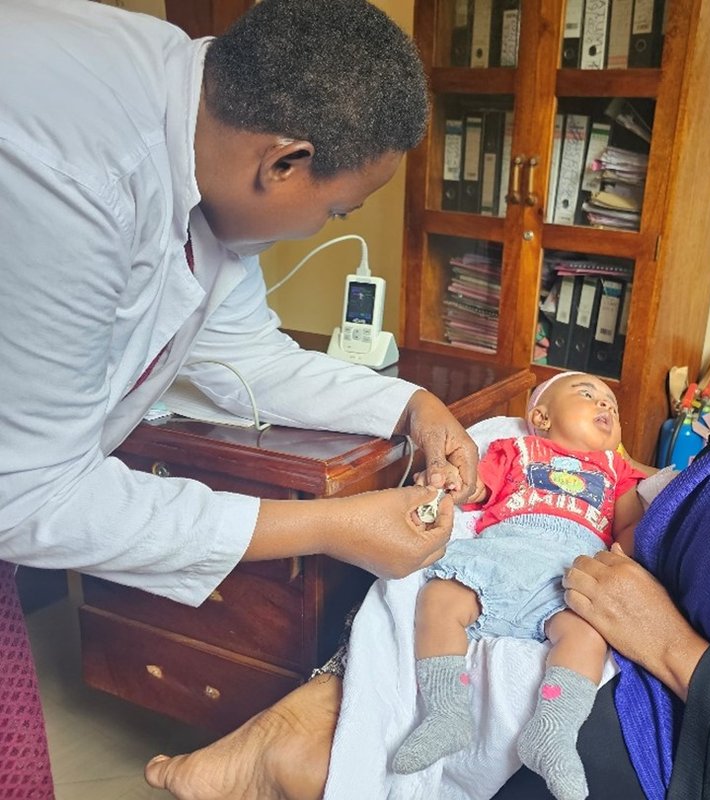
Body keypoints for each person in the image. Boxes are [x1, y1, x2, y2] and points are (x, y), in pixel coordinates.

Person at [147, 56, 710, 800]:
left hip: (672, 719)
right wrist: (432, 427)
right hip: (607, 620)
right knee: (422, 602)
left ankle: (307, 744)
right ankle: (312, 723)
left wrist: (671, 644)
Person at [0, 0, 480, 794]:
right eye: (335, 210)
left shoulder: (200, 113)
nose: (327, 229)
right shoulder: (73, 173)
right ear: (284, 162)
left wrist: (411, 406)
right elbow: (27, 492)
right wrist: (328, 528)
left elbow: (244, 354)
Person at [391, 373, 646, 800]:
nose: (606, 406)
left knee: (588, 633)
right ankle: (447, 712)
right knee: (440, 597)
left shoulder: (617, 471)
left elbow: (633, 527)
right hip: (504, 551)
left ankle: (552, 729)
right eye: (588, 395)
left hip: (568, 569)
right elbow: (478, 487)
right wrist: (453, 484)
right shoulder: (519, 450)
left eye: (613, 407)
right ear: (541, 416)